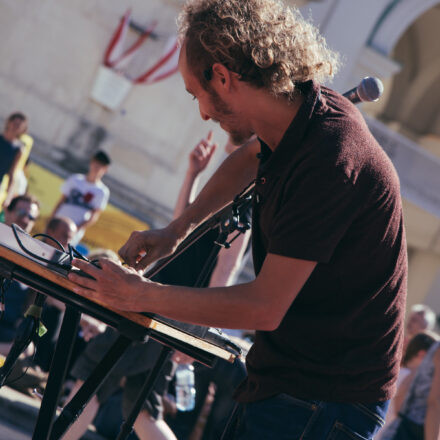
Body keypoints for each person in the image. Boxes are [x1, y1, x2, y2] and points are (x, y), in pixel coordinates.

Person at [68, 1, 408, 438]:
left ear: (224, 77)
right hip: (293, 386)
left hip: (324, 401)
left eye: (197, 94)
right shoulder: (298, 117)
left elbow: (262, 307)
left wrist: (139, 295)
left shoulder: (330, 160)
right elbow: (249, 158)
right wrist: (176, 231)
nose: (204, 114)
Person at [376, 331, 440, 439]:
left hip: (392, 430)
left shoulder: (401, 373)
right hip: (408, 430)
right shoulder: (409, 375)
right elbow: (434, 401)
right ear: (423, 354)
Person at [0, 194, 40, 354]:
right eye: (22, 213)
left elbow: (32, 297)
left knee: (27, 349)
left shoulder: (33, 257)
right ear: (7, 211)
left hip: (6, 328)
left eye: (31, 217)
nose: (25, 220)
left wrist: (21, 321)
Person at [51, 150, 111, 245]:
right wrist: (52, 218)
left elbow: (94, 215)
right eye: (96, 163)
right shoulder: (75, 179)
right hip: (58, 222)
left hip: (73, 231)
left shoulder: (102, 191)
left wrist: (76, 229)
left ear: (105, 169)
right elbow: (61, 201)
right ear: (91, 162)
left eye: (101, 165)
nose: (97, 167)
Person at [0, 112, 28, 209]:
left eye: (19, 125)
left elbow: (12, 173)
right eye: (14, 123)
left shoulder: (19, 149)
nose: (15, 127)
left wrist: (8, 196)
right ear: (9, 122)